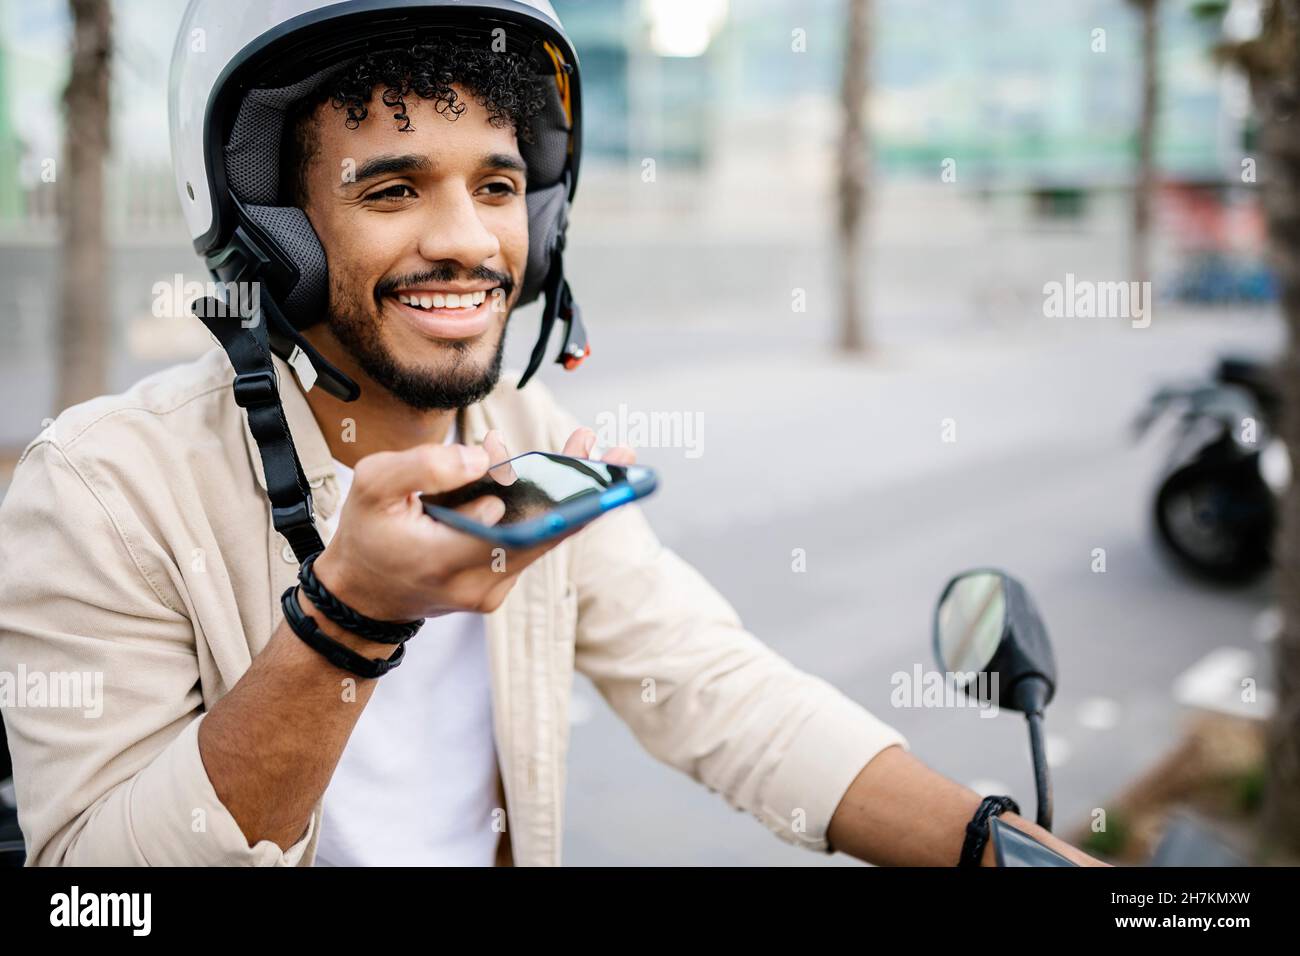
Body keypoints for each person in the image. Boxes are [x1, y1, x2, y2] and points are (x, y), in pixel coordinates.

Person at [0, 0, 1098, 867]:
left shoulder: (525, 436)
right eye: (391, 187)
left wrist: (992, 848)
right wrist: (346, 619)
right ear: (272, 230)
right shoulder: (103, 486)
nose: (467, 239)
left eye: (498, 183)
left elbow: (720, 690)